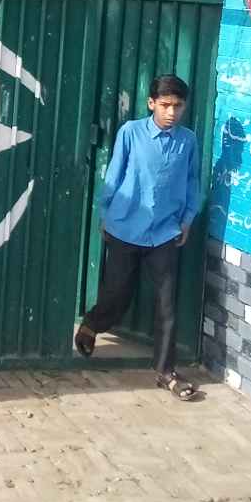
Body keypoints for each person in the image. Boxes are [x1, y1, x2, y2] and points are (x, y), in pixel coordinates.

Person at [75, 74, 202, 401]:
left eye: (178, 106)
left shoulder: (187, 141)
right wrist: (105, 213)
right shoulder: (130, 132)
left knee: (166, 304)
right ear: (151, 103)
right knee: (118, 292)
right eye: (165, 105)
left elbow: (192, 181)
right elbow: (114, 174)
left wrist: (187, 220)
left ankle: (166, 372)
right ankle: (92, 323)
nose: (171, 112)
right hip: (125, 226)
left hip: (165, 232)